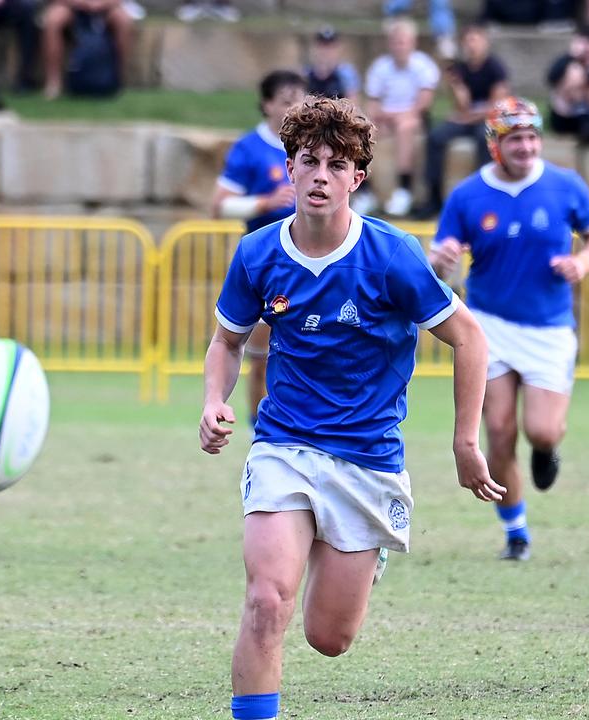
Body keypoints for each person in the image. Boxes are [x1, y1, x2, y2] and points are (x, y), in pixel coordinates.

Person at [201, 95, 502, 720]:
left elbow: (469, 337)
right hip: (283, 445)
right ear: (288, 168)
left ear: (356, 178)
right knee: (265, 602)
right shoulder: (257, 253)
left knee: (328, 639)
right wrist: (213, 401)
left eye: (336, 166)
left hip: (367, 458)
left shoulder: (390, 256)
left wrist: (465, 443)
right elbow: (227, 341)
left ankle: (362, 553)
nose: (320, 176)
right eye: (308, 161)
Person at [428, 97, 589, 561]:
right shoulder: (468, 195)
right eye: (515, 139)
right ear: (496, 144)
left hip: (549, 327)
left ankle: (547, 451)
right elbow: (441, 257)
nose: (526, 147)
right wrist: (442, 260)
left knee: (543, 430)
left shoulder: (565, 185)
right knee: (498, 429)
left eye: (532, 137)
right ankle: (516, 531)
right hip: (489, 324)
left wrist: (584, 261)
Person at [210, 70, 306, 428]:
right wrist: (264, 203)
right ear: (267, 105)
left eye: (299, 99)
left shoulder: (314, 148)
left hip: (315, 265)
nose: (294, 107)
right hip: (269, 268)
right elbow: (218, 206)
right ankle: (261, 433)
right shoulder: (250, 149)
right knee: (263, 358)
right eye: (285, 101)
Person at [413, 24, 509, 219]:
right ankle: (434, 197)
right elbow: (462, 105)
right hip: (466, 119)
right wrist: (455, 82)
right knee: (435, 137)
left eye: (475, 40)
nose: (471, 45)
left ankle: (486, 196)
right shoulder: (461, 68)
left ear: (485, 42)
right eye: (468, 41)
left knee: (485, 138)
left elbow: (495, 107)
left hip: (487, 120)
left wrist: (467, 117)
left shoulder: (495, 68)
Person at [356, 17, 441, 218]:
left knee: (405, 127)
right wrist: (385, 117)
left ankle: (404, 188)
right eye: (396, 41)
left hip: (413, 119)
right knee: (363, 129)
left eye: (403, 41)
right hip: (386, 119)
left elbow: (423, 104)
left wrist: (395, 116)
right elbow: (372, 103)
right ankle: (365, 190)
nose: (399, 46)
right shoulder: (380, 67)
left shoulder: (424, 65)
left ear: (412, 43)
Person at [41, 0, 135, 100]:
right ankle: (54, 82)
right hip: (70, 6)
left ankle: (119, 79)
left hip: (105, 7)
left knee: (123, 20)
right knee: (53, 21)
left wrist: (101, 3)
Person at [545, 25, 589, 146]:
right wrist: (572, 57)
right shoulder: (568, 61)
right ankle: (585, 120)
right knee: (575, 73)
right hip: (565, 115)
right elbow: (551, 78)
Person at [304, 26, 359, 106]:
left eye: (330, 46)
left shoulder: (346, 75)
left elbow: (353, 106)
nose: (326, 51)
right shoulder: (306, 74)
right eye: (322, 46)